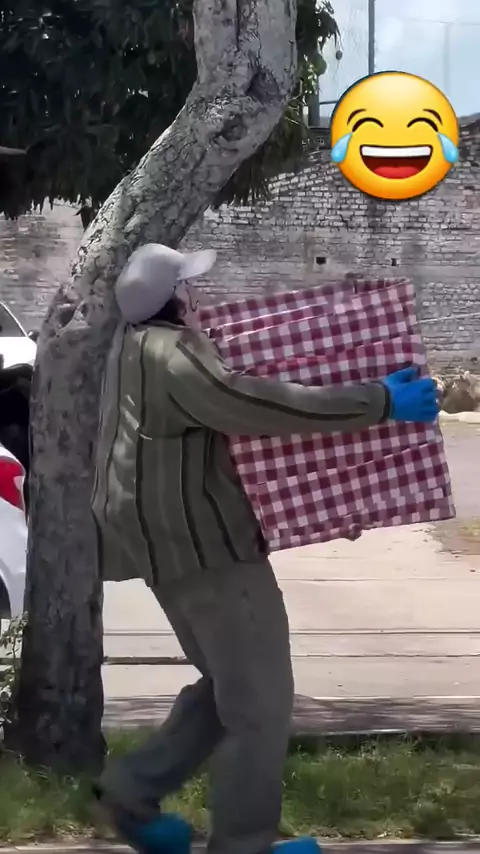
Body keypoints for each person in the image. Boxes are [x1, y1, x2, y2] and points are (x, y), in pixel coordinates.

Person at [92, 244, 439, 854]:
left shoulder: (128, 347)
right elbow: (252, 404)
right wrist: (379, 401)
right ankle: (244, 843)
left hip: (164, 548)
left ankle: (129, 793)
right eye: (190, 286)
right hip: (207, 551)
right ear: (176, 298)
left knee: (230, 687)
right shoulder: (174, 354)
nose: (199, 295)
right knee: (262, 703)